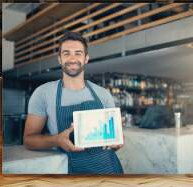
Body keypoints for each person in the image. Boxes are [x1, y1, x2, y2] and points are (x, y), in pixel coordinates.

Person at [24, 31, 124, 175]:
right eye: (66, 53)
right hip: (74, 172)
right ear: (59, 59)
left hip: (109, 170)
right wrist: (56, 140)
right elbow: (29, 140)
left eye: (78, 53)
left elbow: (116, 136)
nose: (72, 58)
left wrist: (118, 141)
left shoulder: (103, 94)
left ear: (86, 58)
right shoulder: (43, 93)